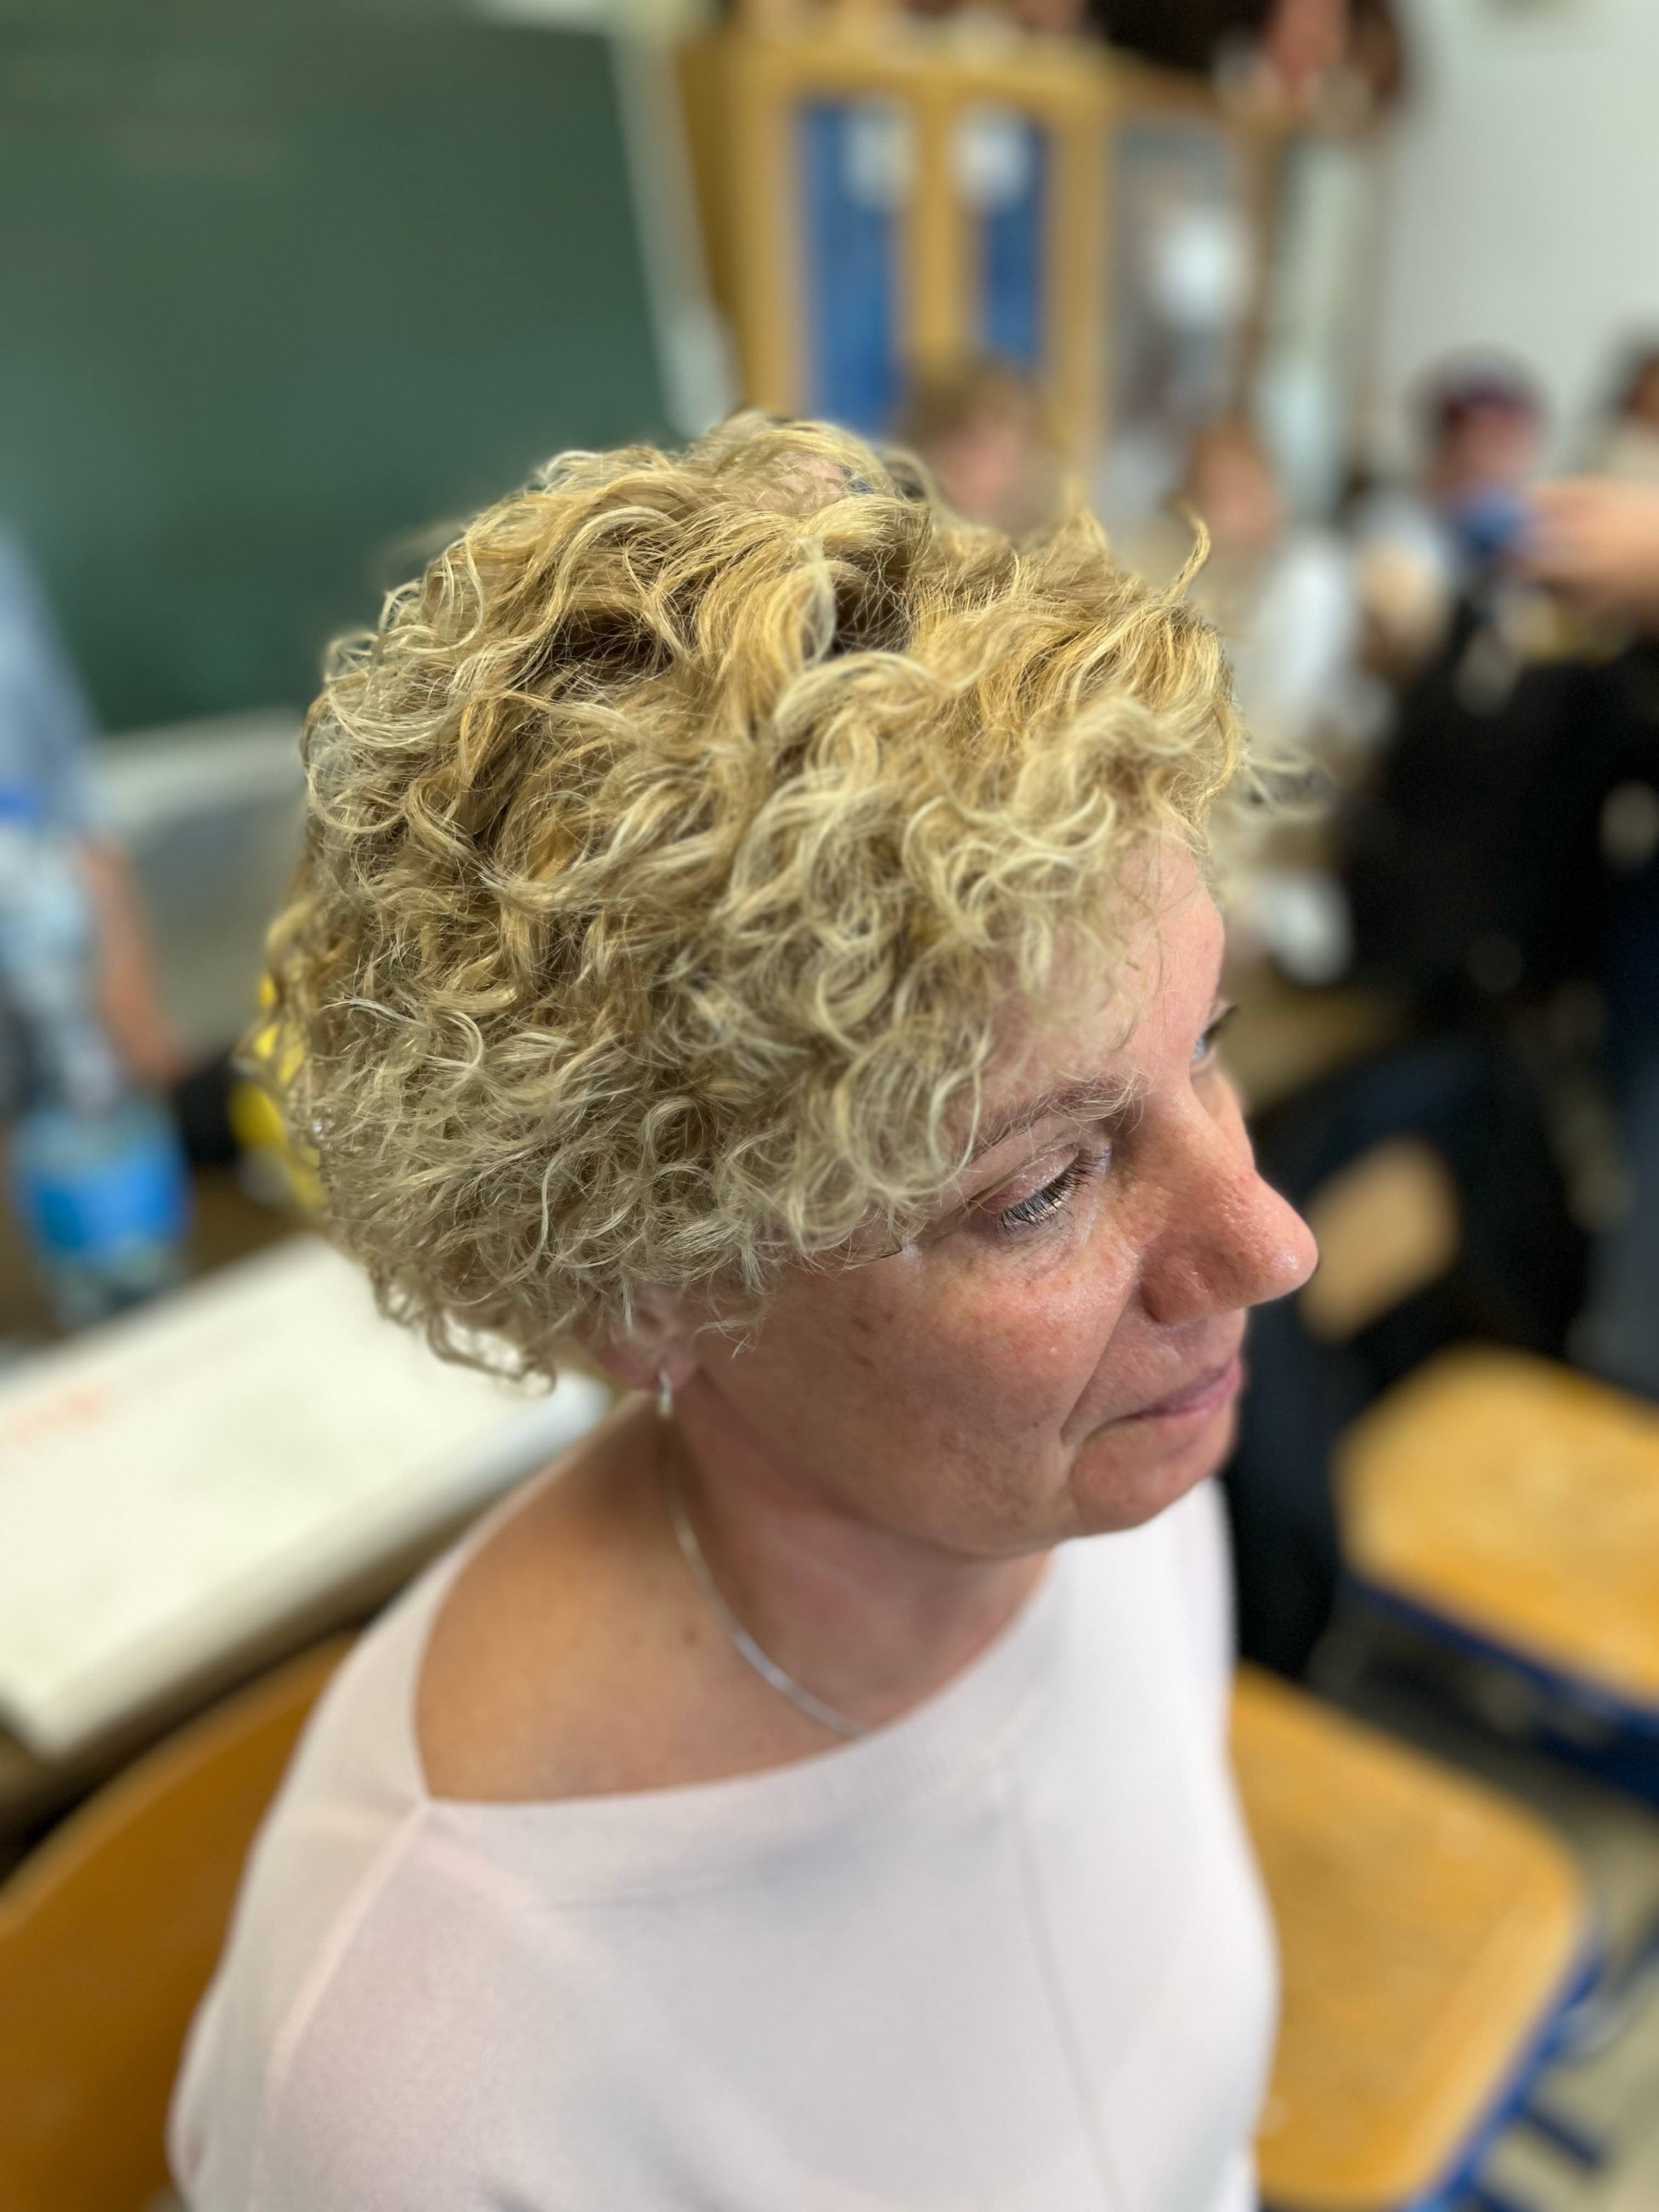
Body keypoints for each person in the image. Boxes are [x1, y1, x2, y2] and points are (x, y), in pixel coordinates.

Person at [170, 415, 1316, 2211]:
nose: (1268, 1246)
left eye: (1209, 1048)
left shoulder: (1111, 1479)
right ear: (646, 1290)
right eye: (1041, 1186)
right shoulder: (425, 2085)